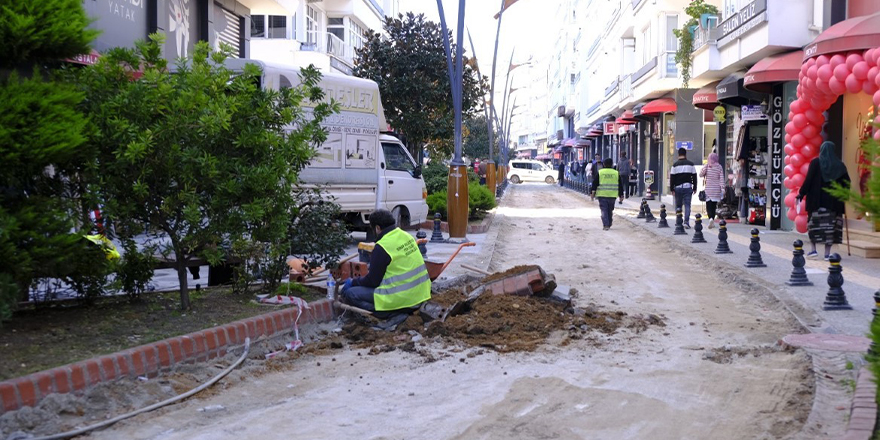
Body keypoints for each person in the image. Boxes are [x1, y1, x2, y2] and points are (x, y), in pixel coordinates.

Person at [341, 209, 431, 312]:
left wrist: (353, 282)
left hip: (402, 300)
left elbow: (373, 281)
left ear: (378, 228)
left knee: (351, 293)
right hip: (421, 295)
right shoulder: (406, 236)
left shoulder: (382, 247)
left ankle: (384, 313)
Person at [797, 141, 850, 260]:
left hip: (816, 203)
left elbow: (808, 180)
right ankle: (827, 254)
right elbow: (847, 184)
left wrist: (801, 193)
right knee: (830, 229)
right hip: (833, 204)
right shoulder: (840, 166)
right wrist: (844, 196)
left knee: (814, 226)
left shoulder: (815, 163)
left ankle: (813, 250)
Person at [669, 148, 698, 228]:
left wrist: (672, 189)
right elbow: (694, 177)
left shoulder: (674, 165)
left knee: (678, 206)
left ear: (678, 154)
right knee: (687, 205)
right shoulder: (691, 164)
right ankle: (686, 222)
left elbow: (672, 178)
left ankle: (679, 221)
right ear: (685, 154)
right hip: (688, 187)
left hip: (678, 188)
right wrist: (695, 187)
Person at [592, 158, 624, 230]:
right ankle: (609, 222)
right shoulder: (616, 173)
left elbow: (595, 183)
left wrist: (592, 192)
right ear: (612, 164)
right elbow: (620, 185)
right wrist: (621, 195)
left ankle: (606, 224)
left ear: (604, 164)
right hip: (612, 195)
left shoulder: (600, 172)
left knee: (604, 210)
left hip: (602, 195)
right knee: (610, 210)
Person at [700, 152, 726, 229]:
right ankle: (712, 219)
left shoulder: (707, 166)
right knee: (714, 206)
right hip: (716, 190)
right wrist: (723, 188)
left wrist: (705, 167)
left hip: (708, 189)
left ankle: (710, 219)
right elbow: (721, 178)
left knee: (708, 205)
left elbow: (701, 174)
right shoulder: (719, 167)